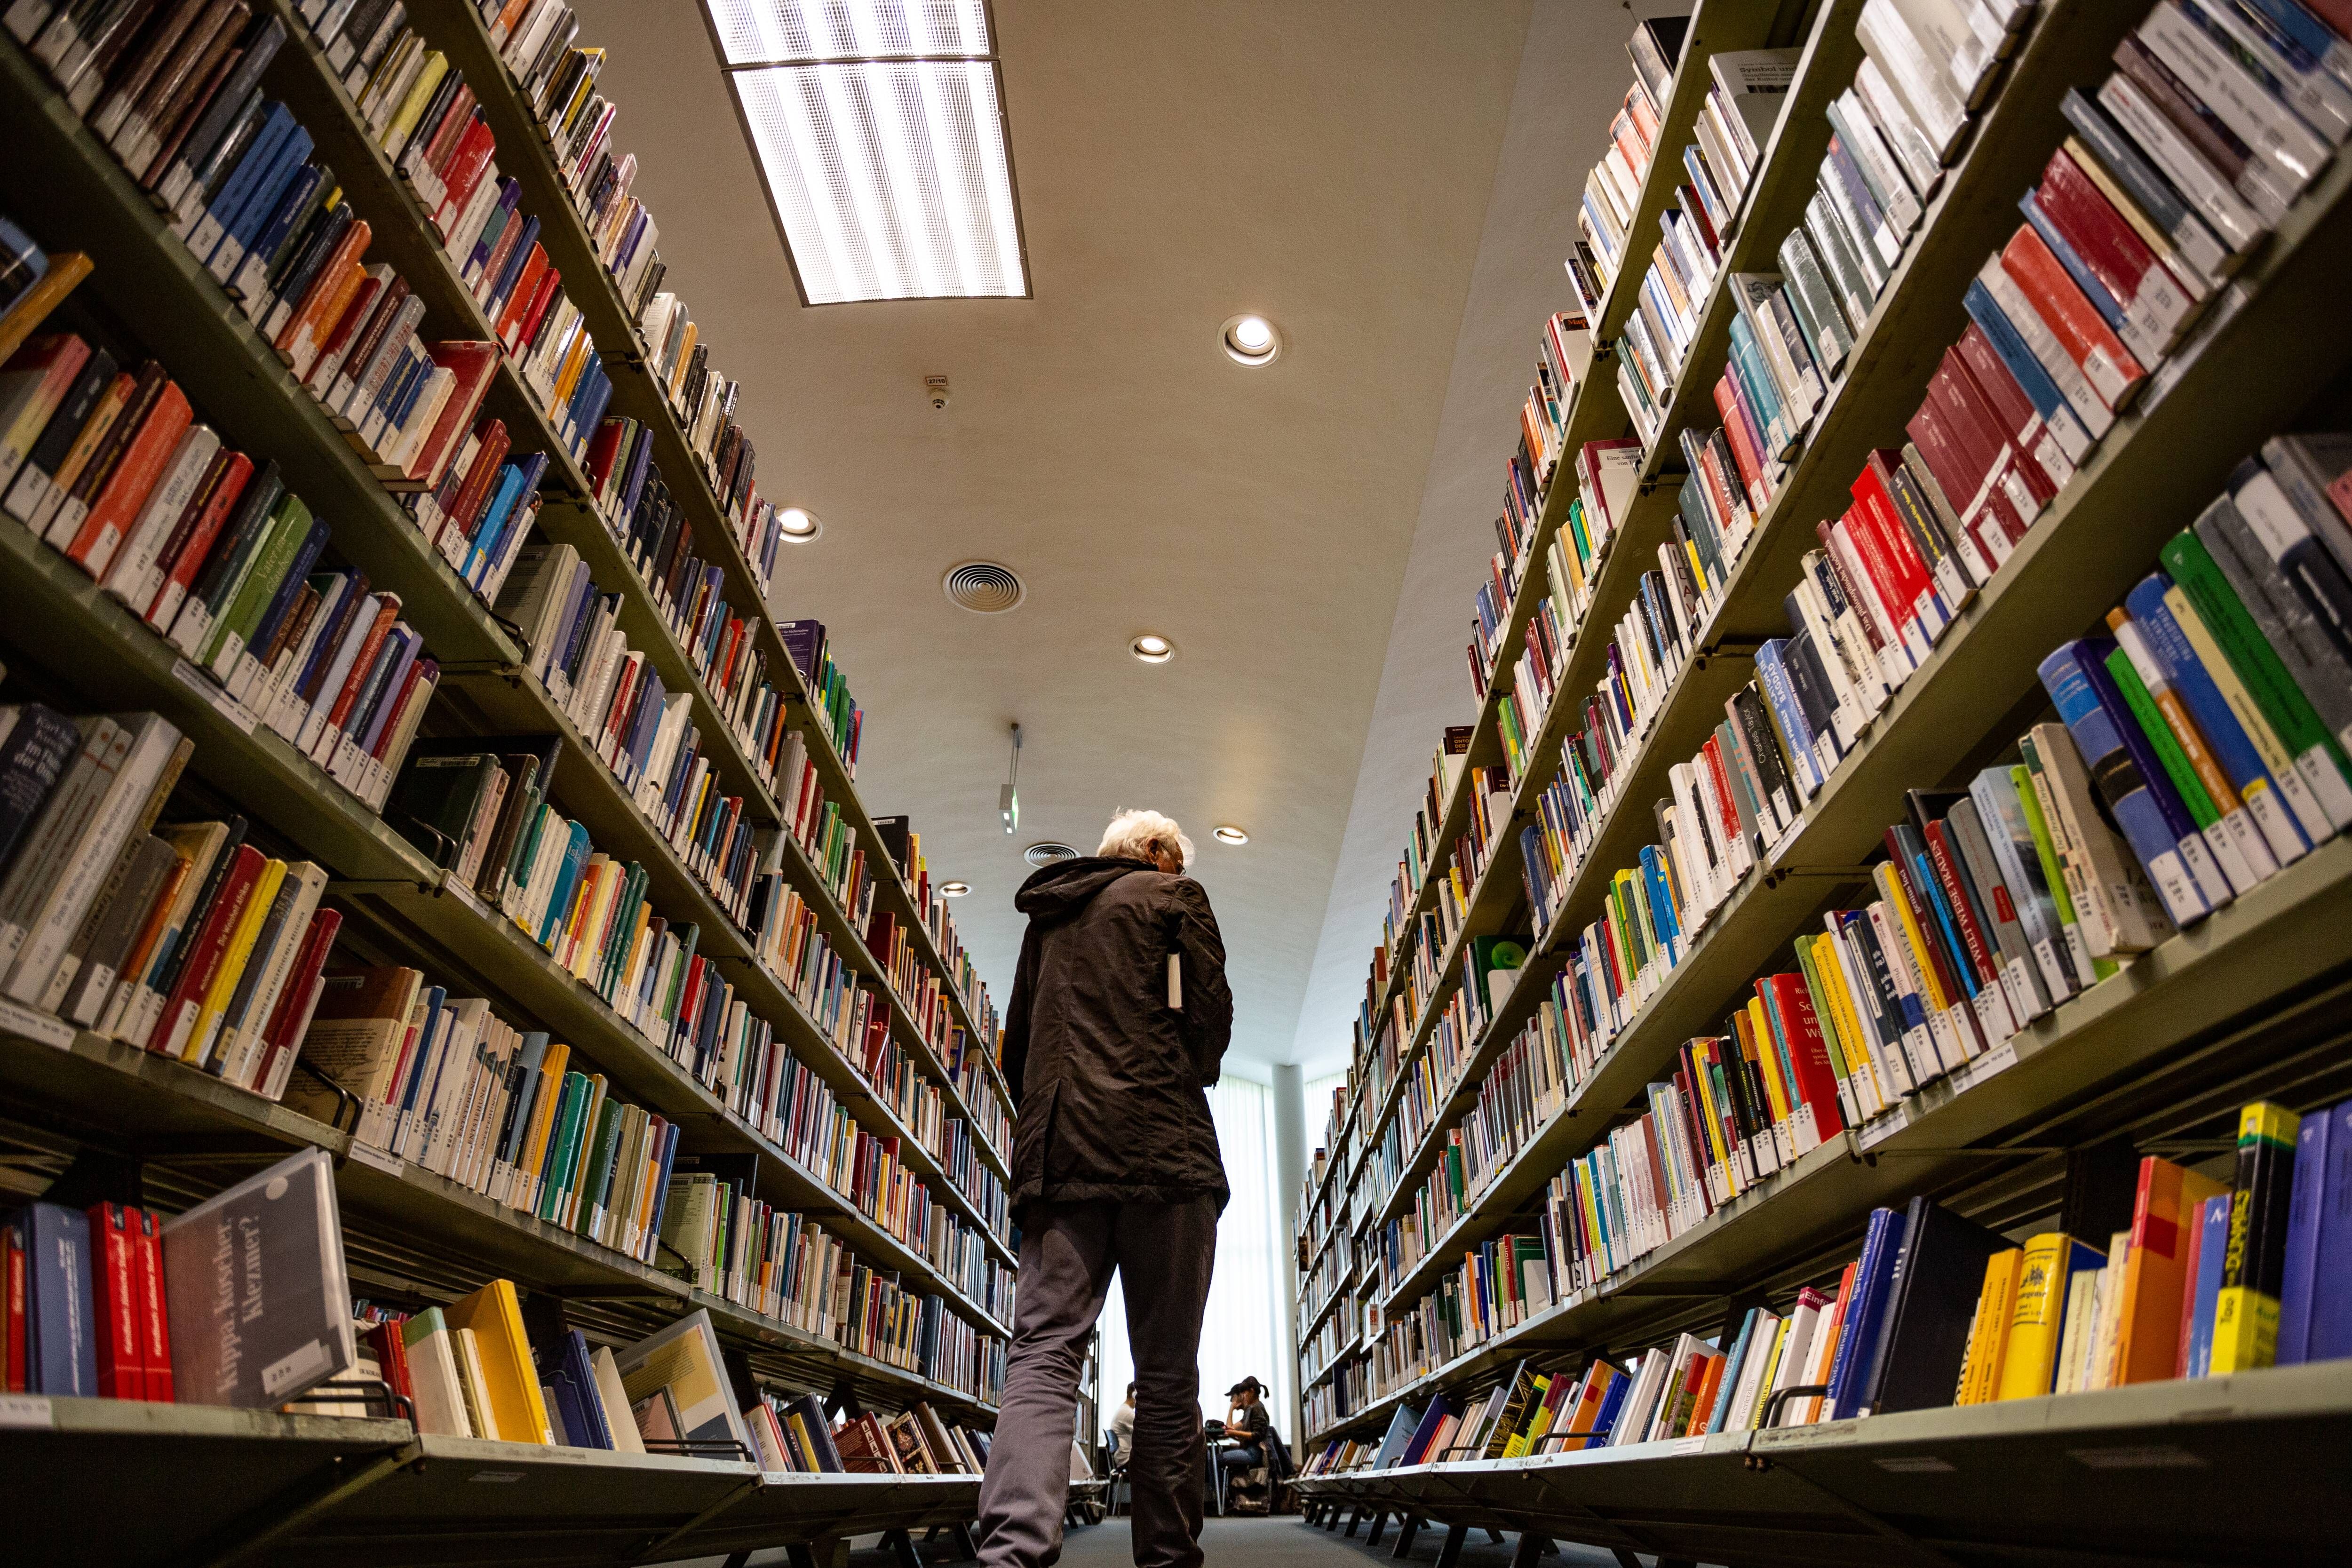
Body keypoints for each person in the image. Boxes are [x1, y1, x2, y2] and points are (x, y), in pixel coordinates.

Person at [975, 810, 1233, 1568]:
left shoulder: (1048, 919)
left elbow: (1016, 1046)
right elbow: (1211, 1028)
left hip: (1062, 1162)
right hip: (1168, 1157)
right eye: (1175, 858)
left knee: (1045, 1356)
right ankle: (1165, 1557)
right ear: (1154, 853)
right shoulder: (1174, 898)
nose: (1177, 869)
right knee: (1165, 1375)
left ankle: (1010, 1554)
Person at [1109, 1382, 1137, 1455]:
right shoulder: (1128, 1413)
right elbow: (1143, 1433)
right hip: (1126, 1457)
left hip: (1123, 1456)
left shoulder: (1124, 1409)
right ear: (1134, 1395)